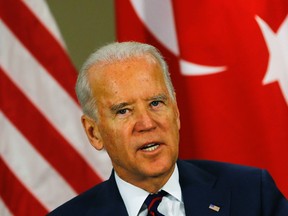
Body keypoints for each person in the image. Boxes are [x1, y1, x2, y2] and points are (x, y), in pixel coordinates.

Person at [48, 41, 288, 216]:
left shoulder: (252, 194)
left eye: (156, 103)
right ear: (94, 132)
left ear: (176, 111)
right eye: (124, 110)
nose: (147, 123)